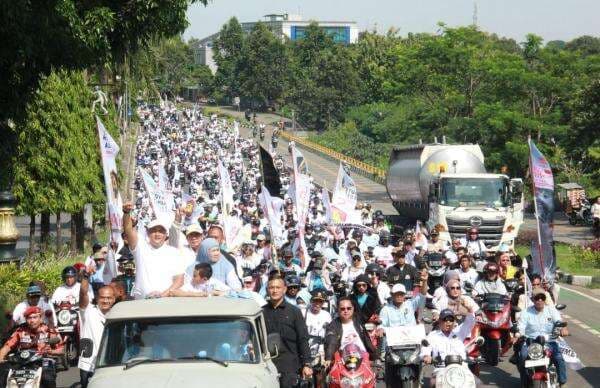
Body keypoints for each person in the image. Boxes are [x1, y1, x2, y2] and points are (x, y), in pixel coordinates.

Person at [122, 202, 185, 299]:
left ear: (166, 234)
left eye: (161, 231)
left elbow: (179, 280)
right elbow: (128, 230)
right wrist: (126, 213)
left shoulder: (174, 253)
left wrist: (161, 295)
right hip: (141, 302)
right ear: (147, 233)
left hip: (166, 302)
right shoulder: (140, 248)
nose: (157, 234)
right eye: (154, 231)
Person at [262, 277, 312, 386]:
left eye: (278, 287)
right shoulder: (261, 312)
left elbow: (303, 339)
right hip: (266, 366)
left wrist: (307, 364)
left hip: (290, 366)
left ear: (284, 289)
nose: (274, 290)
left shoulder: (294, 312)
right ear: (267, 290)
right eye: (271, 287)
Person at [0, 306, 64, 388]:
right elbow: (7, 346)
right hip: (21, 362)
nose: (32, 321)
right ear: (26, 319)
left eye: (35, 317)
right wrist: (1, 356)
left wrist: (51, 352)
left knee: (48, 378)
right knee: (3, 374)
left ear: (41, 318)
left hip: (42, 362)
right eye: (29, 318)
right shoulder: (20, 331)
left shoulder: (49, 330)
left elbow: (61, 350)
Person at [516, 287, 569, 387]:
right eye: (537, 298)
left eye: (542, 297)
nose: (540, 300)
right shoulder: (526, 312)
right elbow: (521, 326)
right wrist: (518, 334)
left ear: (545, 299)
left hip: (549, 341)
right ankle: (524, 381)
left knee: (558, 358)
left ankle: (562, 381)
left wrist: (563, 328)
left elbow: (559, 321)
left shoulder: (551, 310)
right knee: (522, 356)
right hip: (531, 342)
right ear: (532, 299)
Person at [78, 271, 116, 388]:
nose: (105, 301)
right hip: (88, 364)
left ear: (114, 299)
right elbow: (83, 293)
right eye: (103, 298)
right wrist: (85, 276)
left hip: (110, 364)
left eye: (109, 298)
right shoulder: (89, 311)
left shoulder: (118, 313)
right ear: (97, 298)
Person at [420, 308, 477, 386]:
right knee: (433, 383)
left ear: (454, 322)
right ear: (440, 321)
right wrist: (426, 356)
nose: (448, 322)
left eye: (451, 320)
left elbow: (470, 321)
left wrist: (469, 308)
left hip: (462, 369)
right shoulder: (433, 335)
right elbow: (426, 347)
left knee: (478, 383)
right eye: (445, 320)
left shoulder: (459, 332)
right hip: (441, 369)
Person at [323, 296, 377, 368]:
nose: (346, 311)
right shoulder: (333, 325)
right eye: (342, 309)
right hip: (343, 360)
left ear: (353, 309)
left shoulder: (358, 321)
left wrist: (375, 357)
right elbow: (331, 341)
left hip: (363, 359)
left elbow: (369, 310)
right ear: (337, 310)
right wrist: (329, 358)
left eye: (349, 308)